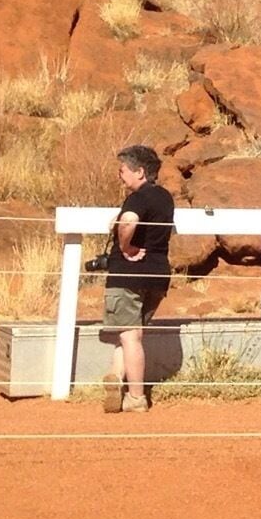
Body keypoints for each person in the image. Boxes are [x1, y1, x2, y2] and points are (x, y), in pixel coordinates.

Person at [102, 145, 174, 413]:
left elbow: (129, 222)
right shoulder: (165, 198)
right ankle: (116, 375)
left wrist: (126, 247)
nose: (120, 175)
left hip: (128, 275)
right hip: (157, 274)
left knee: (130, 335)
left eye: (122, 170)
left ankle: (135, 397)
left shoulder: (137, 198)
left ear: (140, 172)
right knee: (128, 333)